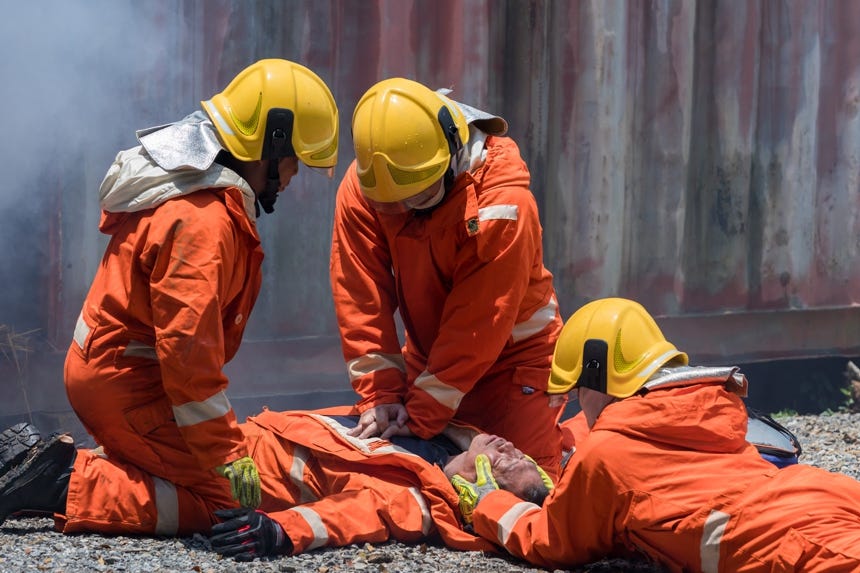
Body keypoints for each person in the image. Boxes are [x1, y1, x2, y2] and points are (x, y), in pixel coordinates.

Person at [51, 58, 338, 535]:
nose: (294, 174)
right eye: (295, 159)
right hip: (129, 390)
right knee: (240, 501)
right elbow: (188, 356)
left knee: (224, 475)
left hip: (124, 380)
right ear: (273, 143)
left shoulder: (199, 199)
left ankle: (102, 465)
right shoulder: (203, 221)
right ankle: (63, 485)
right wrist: (225, 456)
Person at [463, 297, 860, 572]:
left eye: (577, 393)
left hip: (795, 544)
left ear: (598, 378)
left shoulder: (607, 452)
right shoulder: (712, 410)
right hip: (825, 496)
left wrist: (488, 503)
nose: (578, 406)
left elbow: (549, 541)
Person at [329, 77, 565, 480]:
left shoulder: (502, 205)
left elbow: (479, 324)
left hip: (514, 364)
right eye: (393, 203)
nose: (404, 208)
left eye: (418, 198)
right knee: (425, 477)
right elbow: (360, 295)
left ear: (453, 154)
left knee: (530, 489)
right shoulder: (373, 185)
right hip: (431, 362)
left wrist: (419, 418)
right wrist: (381, 395)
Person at [0, 407, 552, 561]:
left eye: (509, 465)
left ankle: (53, 476)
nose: (508, 448)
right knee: (149, 474)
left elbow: (353, 517)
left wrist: (278, 534)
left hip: (248, 479)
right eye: (516, 450)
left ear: (479, 487)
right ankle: (50, 472)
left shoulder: (418, 499)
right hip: (253, 443)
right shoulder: (437, 434)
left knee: (164, 501)